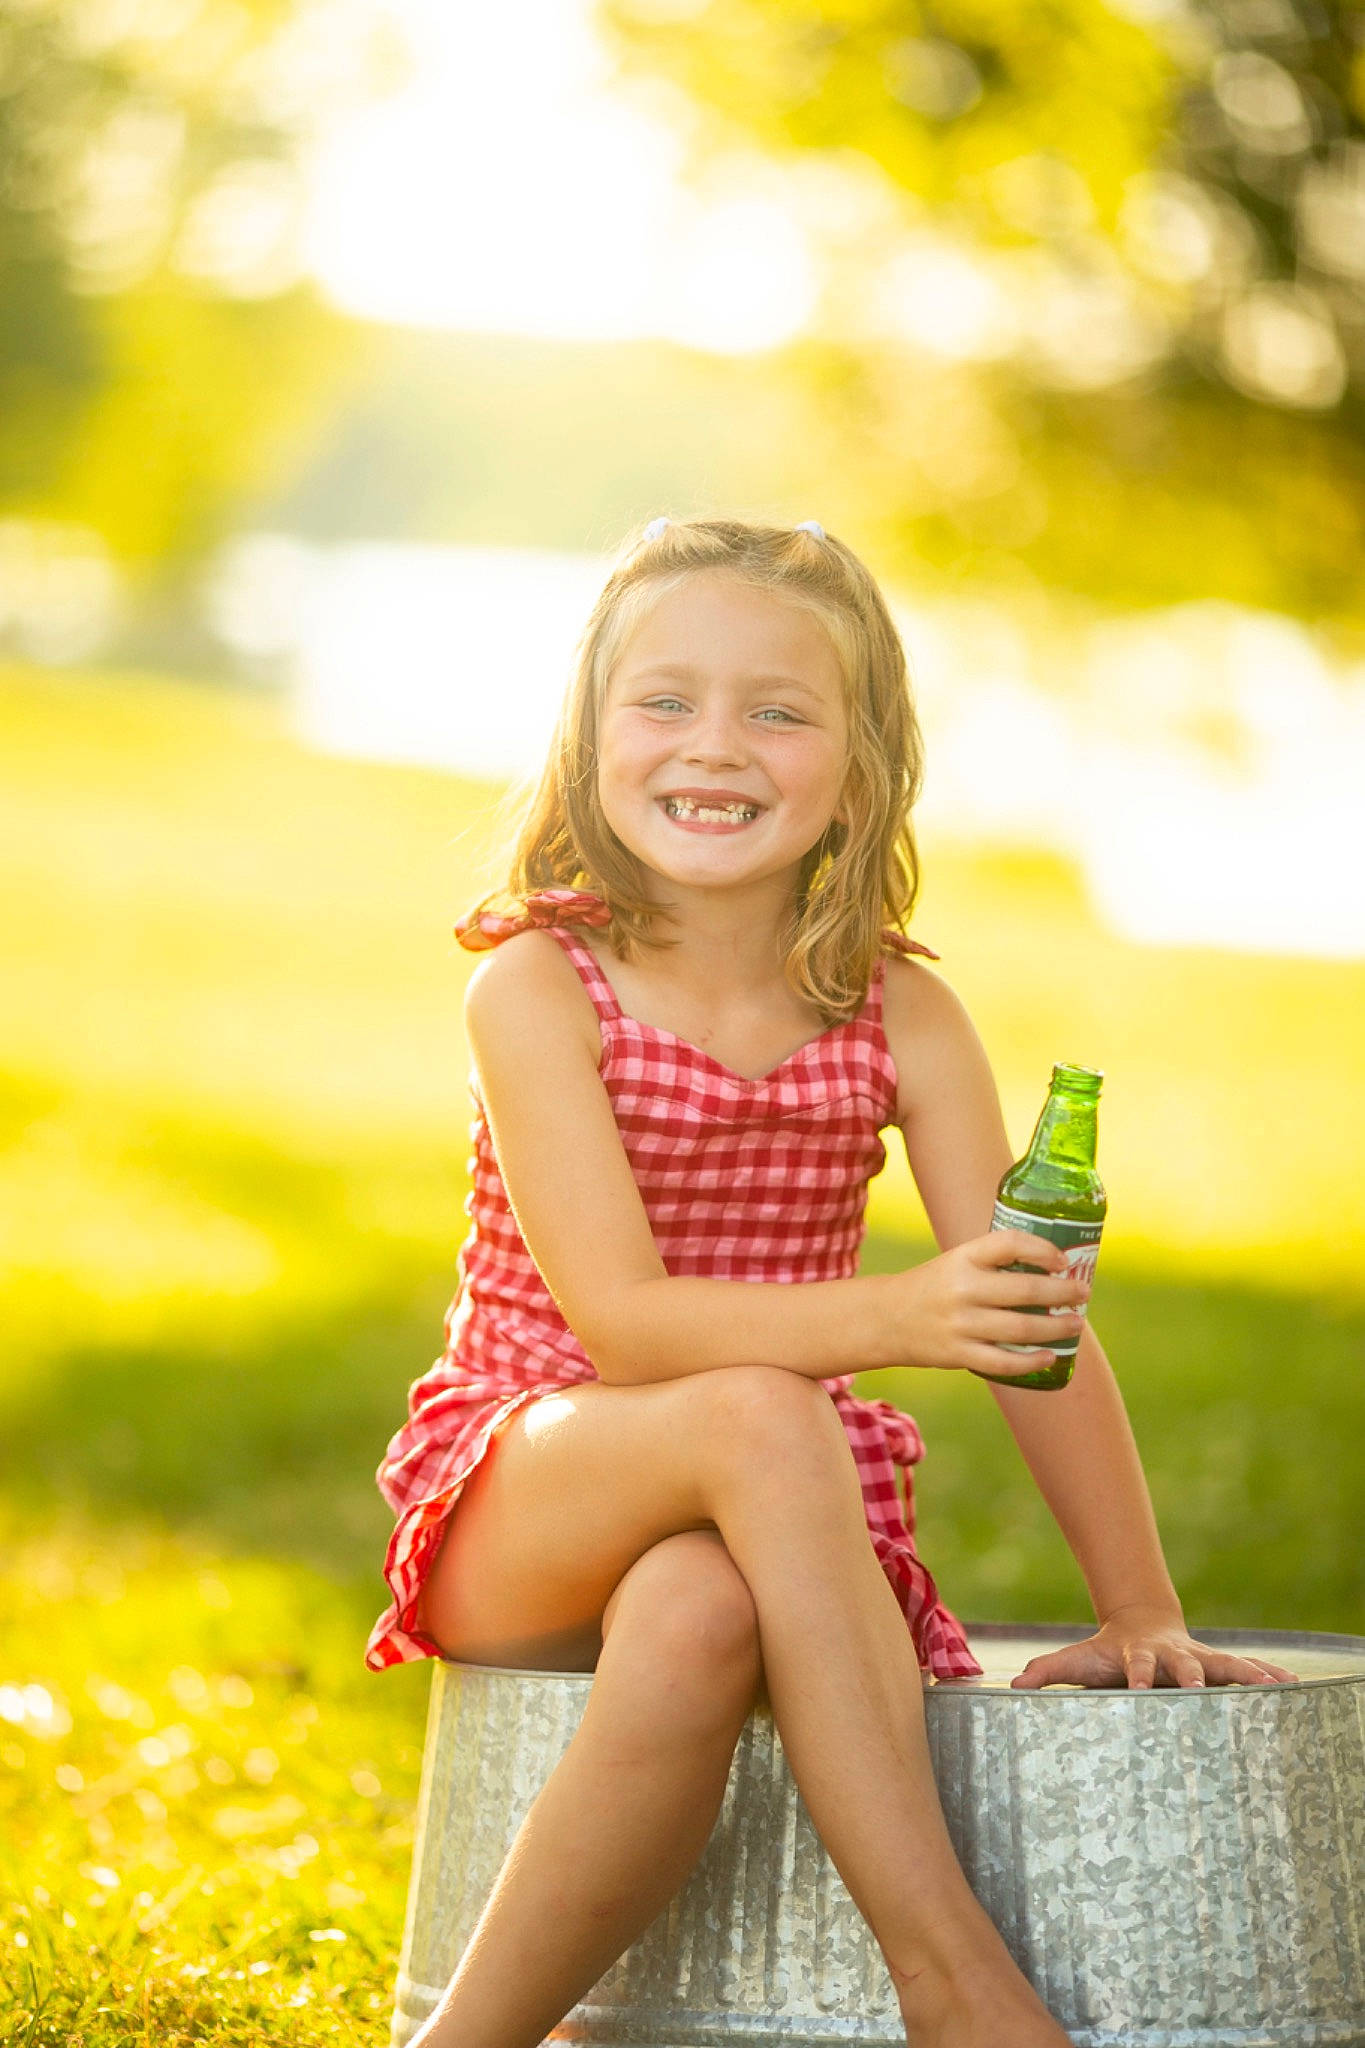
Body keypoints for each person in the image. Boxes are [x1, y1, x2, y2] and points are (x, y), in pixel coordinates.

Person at [366, 516, 1295, 2048]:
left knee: (693, 1616)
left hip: (764, 1520)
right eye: (662, 701)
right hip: (527, 1483)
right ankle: (947, 1974)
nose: (712, 745)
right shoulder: (535, 985)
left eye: (777, 711)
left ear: (859, 768)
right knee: (752, 1412)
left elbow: (1026, 1329)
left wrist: (1136, 1603)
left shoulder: (903, 1016)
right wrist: (890, 1318)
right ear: (588, 737)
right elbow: (625, 1326)